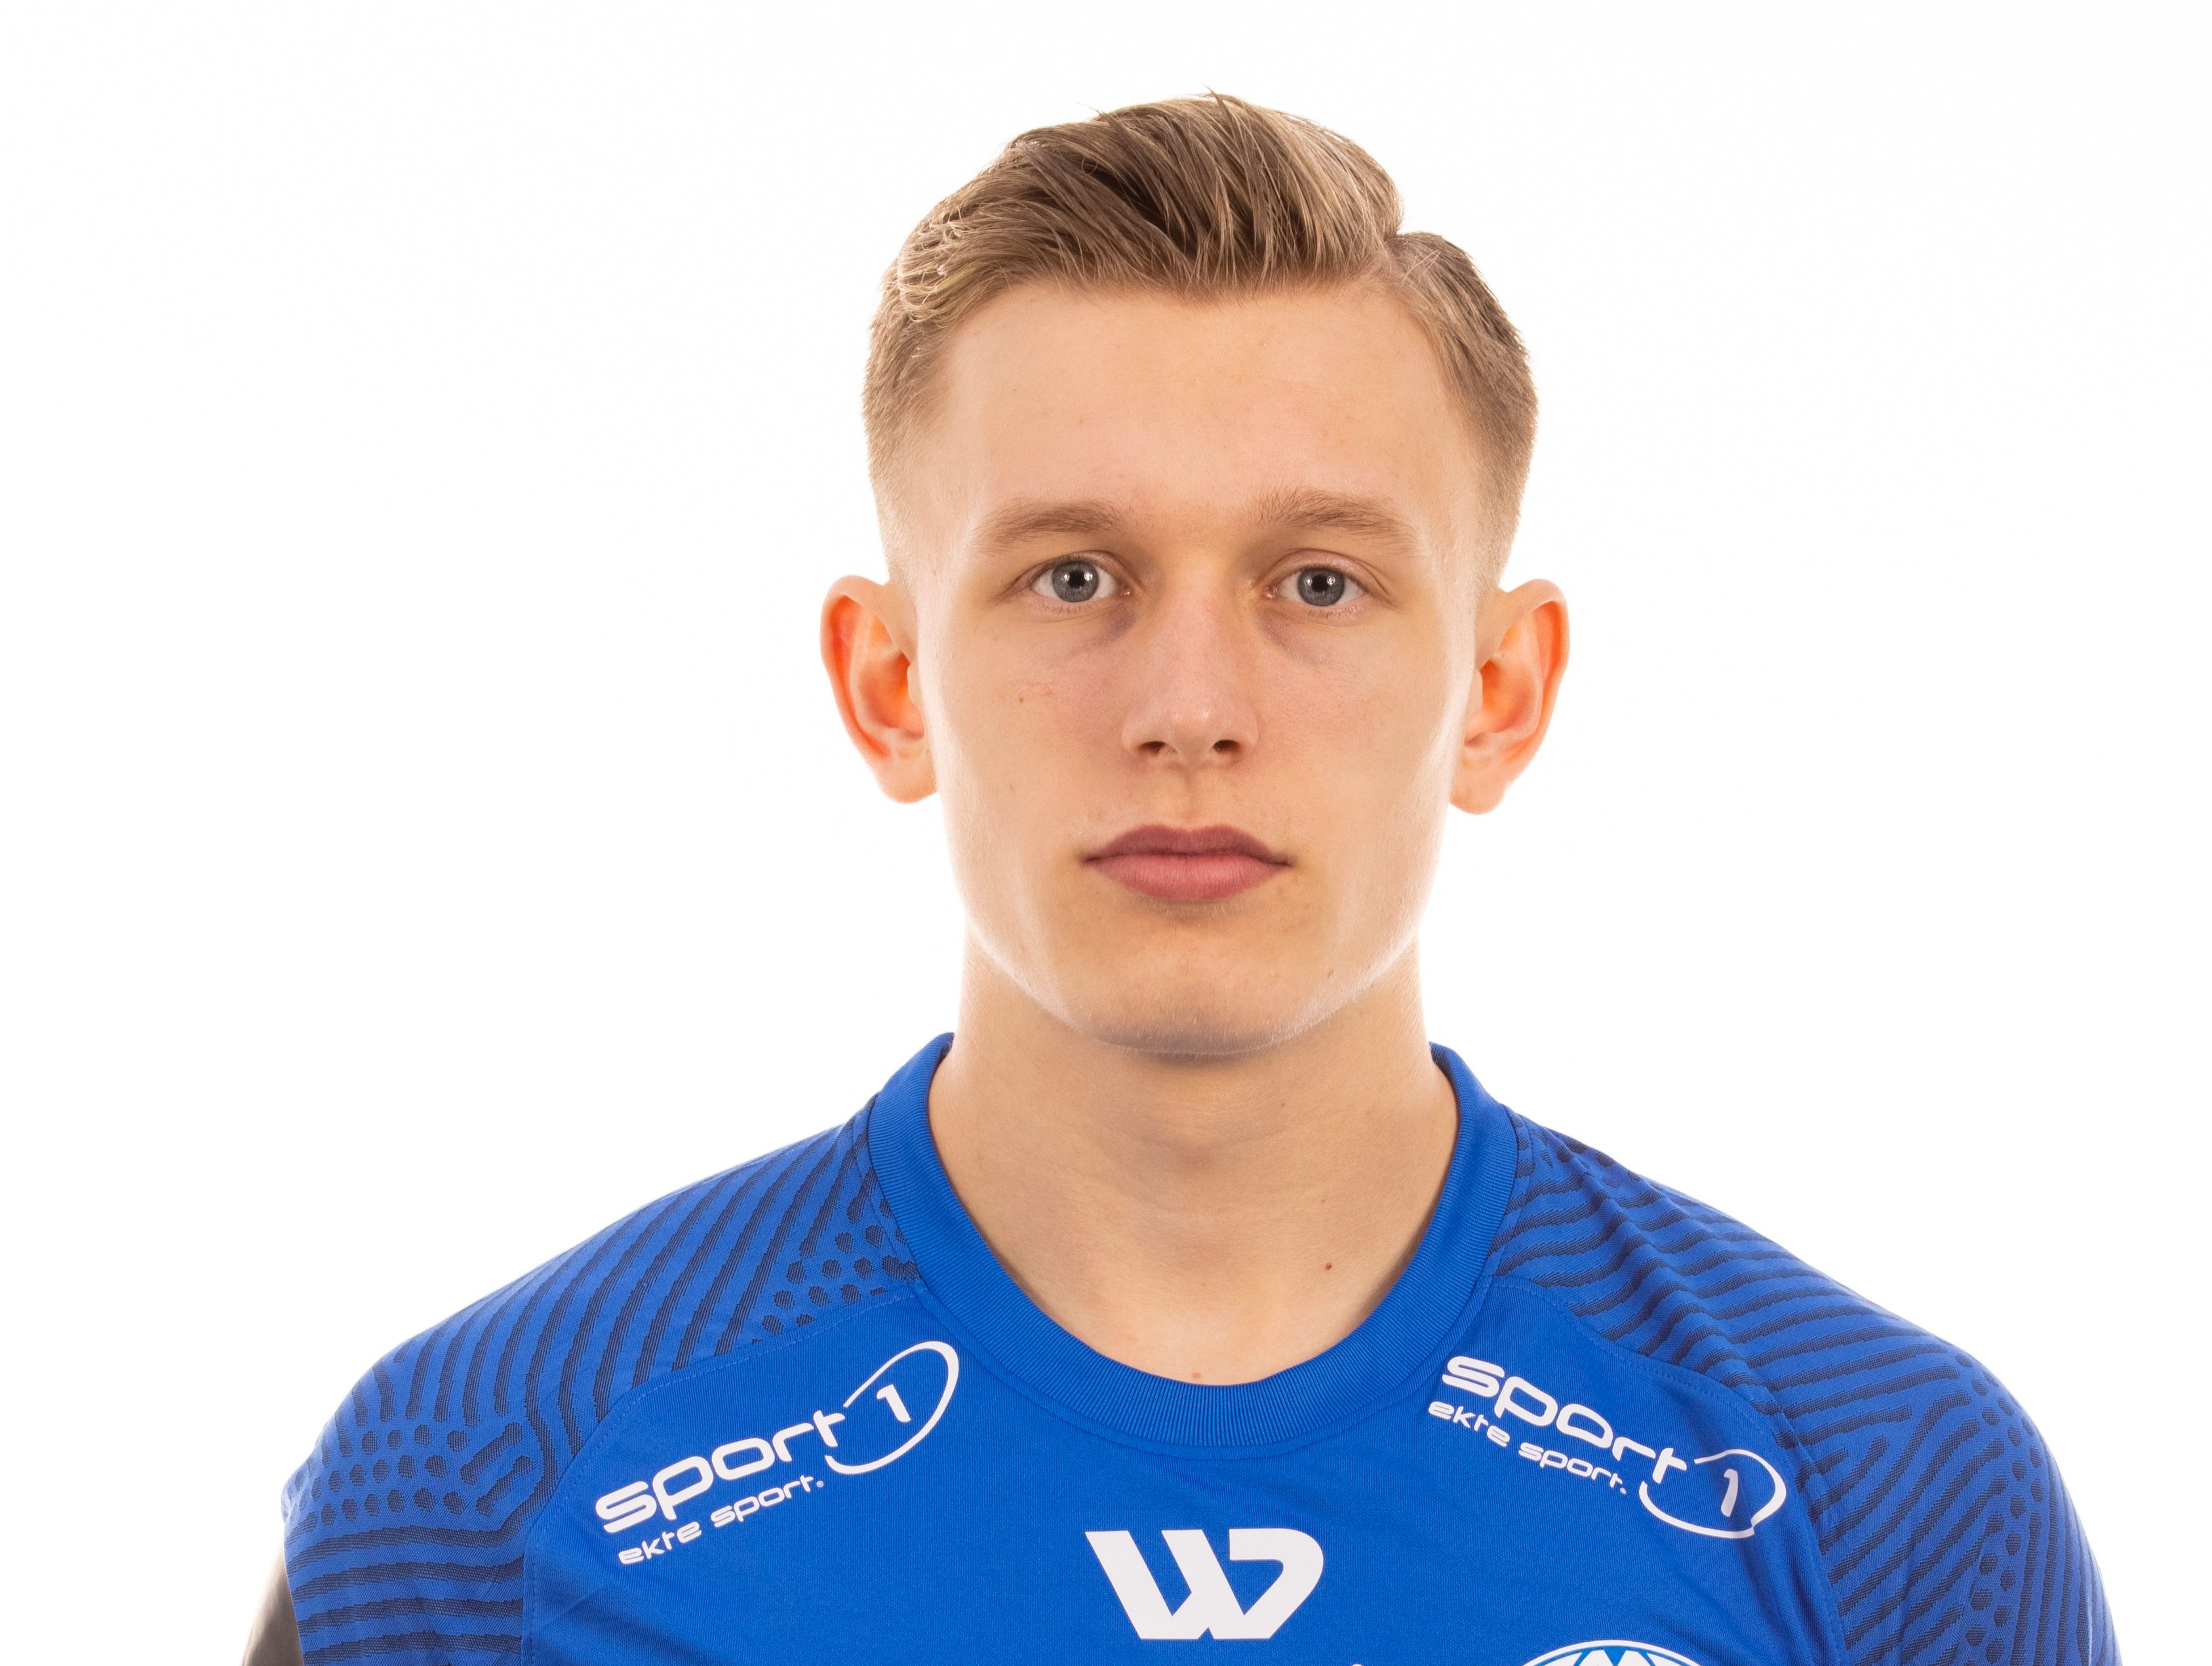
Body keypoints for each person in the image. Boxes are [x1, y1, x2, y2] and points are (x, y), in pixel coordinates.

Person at [246, 94, 2116, 1666]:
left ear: (1499, 693)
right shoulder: (479, 1485)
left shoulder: (1885, 1491)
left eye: (1319, 583)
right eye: (1074, 577)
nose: (1191, 709)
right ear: (889, 684)